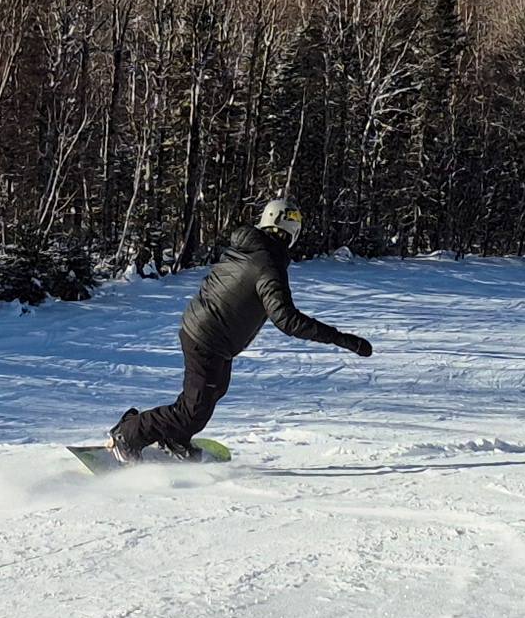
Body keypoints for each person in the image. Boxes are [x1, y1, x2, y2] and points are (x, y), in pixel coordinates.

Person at [108, 197, 371, 460]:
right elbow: (286, 319)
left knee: (210, 394)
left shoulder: (251, 248)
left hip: (210, 332)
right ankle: (128, 434)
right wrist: (341, 339)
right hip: (207, 336)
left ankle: (173, 436)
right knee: (193, 409)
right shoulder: (267, 262)